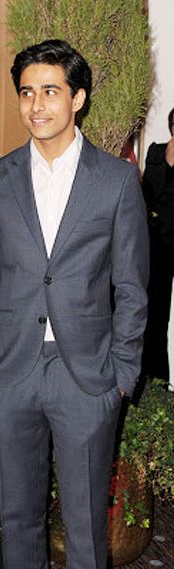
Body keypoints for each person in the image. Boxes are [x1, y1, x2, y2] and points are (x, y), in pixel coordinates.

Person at [0, 40, 149, 569]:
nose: (36, 105)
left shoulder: (117, 181)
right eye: (27, 92)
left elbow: (132, 286)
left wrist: (121, 376)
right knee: (19, 524)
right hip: (11, 375)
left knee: (85, 529)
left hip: (87, 378)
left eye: (50, 91)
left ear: (77, 98)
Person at [142, 108, 174, 383]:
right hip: (159, 248)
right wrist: (169, 159)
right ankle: (156, 380)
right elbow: (149, 193)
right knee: (156, 317)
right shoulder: (156, 152)